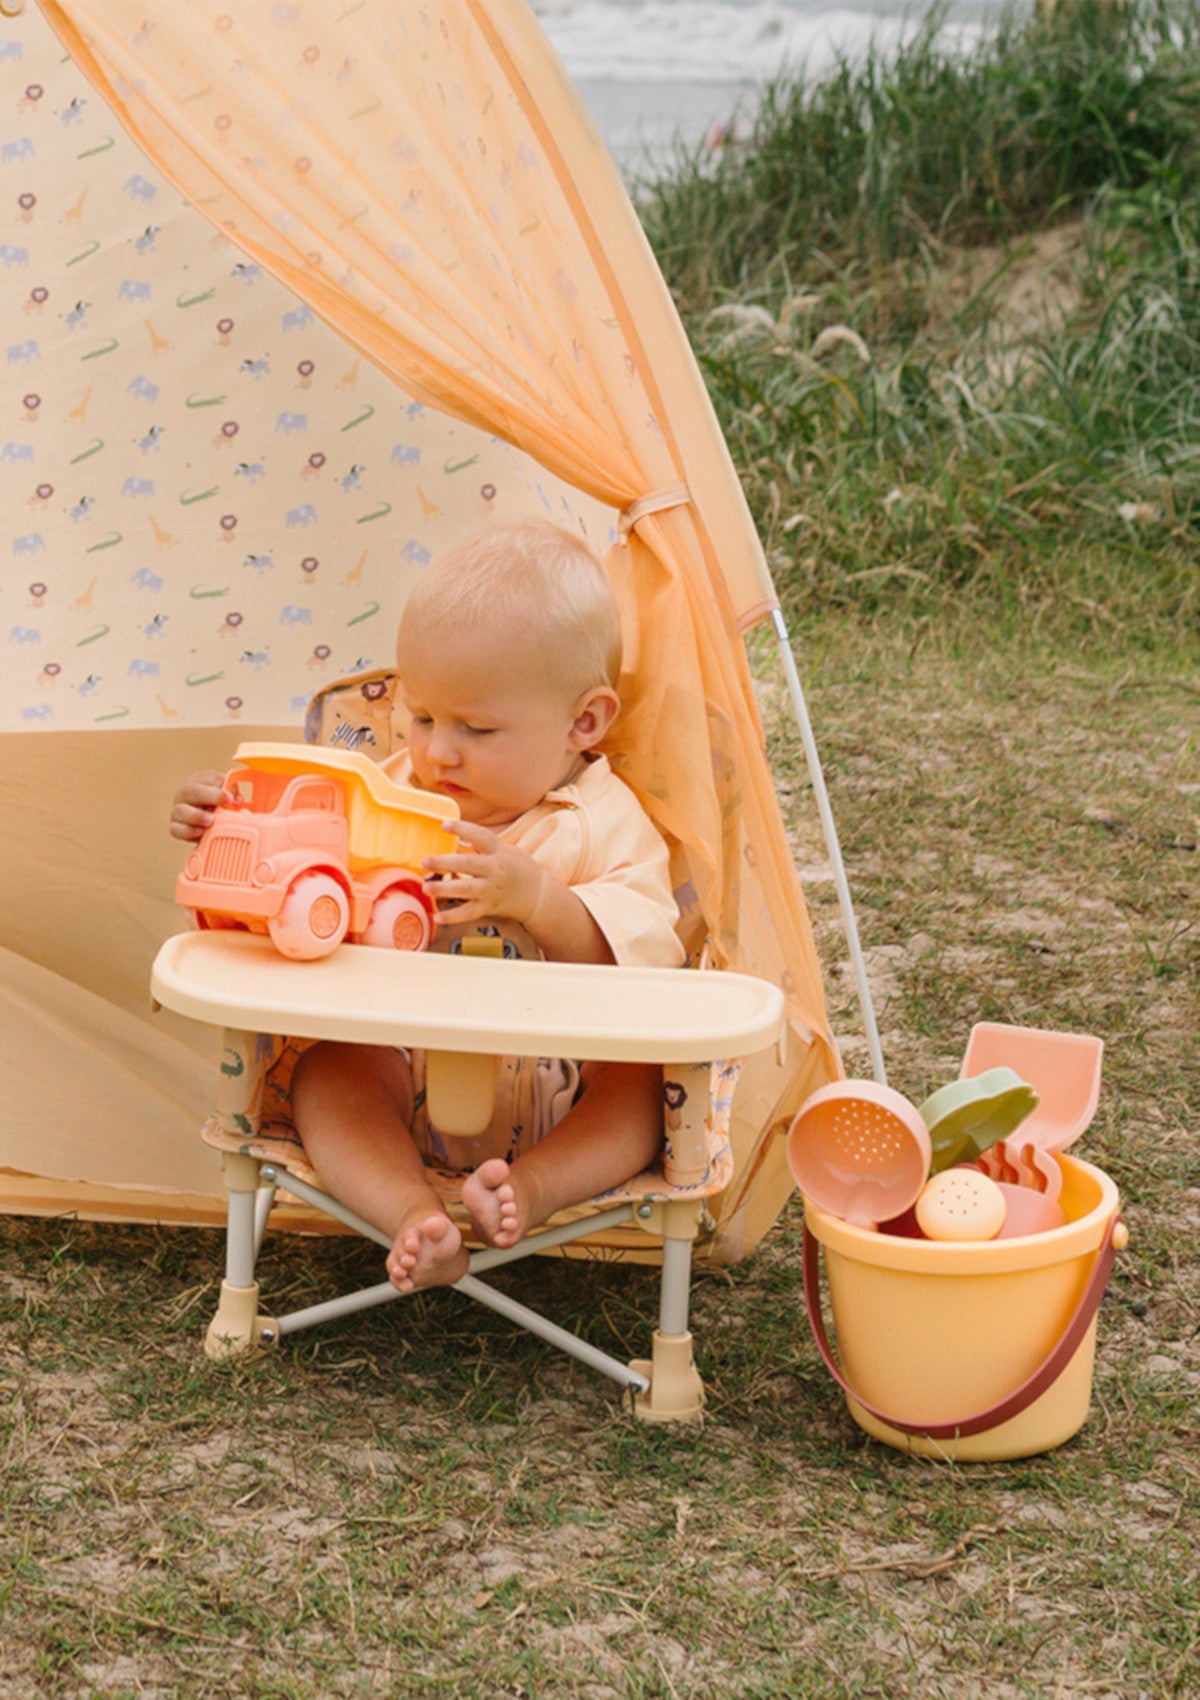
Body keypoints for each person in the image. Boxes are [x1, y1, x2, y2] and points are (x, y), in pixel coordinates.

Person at [170, 517, 685, 1293]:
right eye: (422, 717)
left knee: (643, 1089)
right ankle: (415, 1216)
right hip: (400, 1075)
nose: (438, 750)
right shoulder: (387, 796)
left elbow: (645, 963)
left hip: (559, 1090)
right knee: (326, 1075)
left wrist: (542, 900)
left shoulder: (606, 822)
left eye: (476, 727)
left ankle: (529, 1191)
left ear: (584, 722)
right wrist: (233, 823)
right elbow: (298, 879)